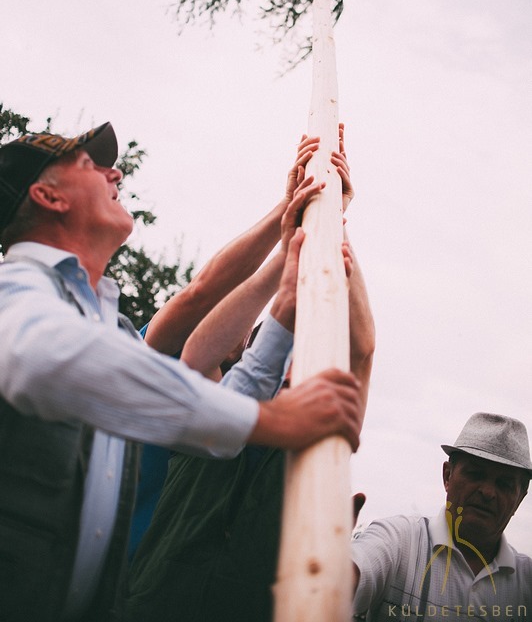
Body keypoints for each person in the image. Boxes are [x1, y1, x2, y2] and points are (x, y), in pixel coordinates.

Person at [0, 122, 364, 622]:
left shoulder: (113, 327)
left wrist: (289, 287)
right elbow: (45, 355)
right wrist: (278, 421)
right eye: (89, 164)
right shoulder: (15, 293)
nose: (115, 172)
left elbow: (215, 431)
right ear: (48, 196)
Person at [124, 129, 375, 622]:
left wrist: (331, 222)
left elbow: (362, 350)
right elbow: (201, 342)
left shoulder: (315, 440)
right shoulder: (211, 405)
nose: (288, 362)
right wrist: (299, 235)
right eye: (277, 344)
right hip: (153, 604)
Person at [351, 413, 532, 619]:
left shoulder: (526, 582)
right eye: (476, 474)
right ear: (447, 475)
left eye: (504, 484)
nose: (488, 492)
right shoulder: (398, 542)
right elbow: (344, 576)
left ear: (519, 498)